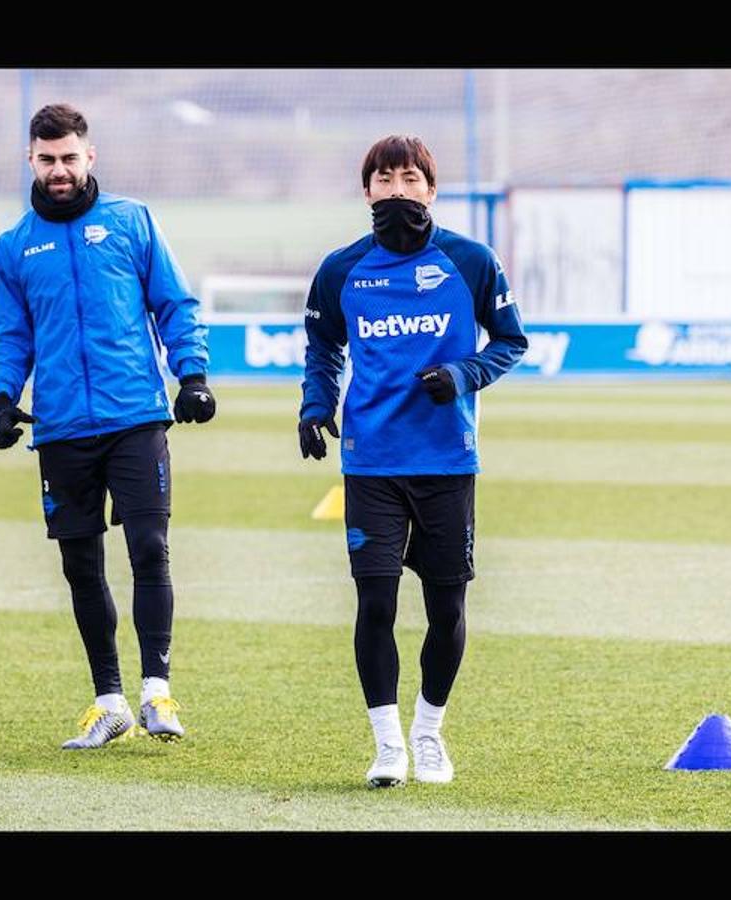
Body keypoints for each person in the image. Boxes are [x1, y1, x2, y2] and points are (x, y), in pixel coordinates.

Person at [299, 135, 528, 787]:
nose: (397, 190)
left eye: (410, 178)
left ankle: (429, 733)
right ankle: (388, 745)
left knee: (447, 611)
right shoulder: (342, 269)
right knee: (374, 604)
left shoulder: (471, 261)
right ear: (366, 190)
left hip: (447, 464)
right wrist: (315, 407)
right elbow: (321, 345)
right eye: (384, 179)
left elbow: (512, 340)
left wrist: (463, 373)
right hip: (370, 464)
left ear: (432, 189)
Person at [0, 103, 213, 750]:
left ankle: (157, 691)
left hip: (135, 416)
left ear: (90, 158)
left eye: (70, 158)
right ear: (31, 160)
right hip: (59, 429)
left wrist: (191, 374)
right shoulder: (12, 247)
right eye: (48, 159)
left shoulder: (131, 221)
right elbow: (8, 336)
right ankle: (109, 700)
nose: (60, 170)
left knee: (149, 549)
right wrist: (1, 400)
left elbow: (173, 303)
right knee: (81, 566)